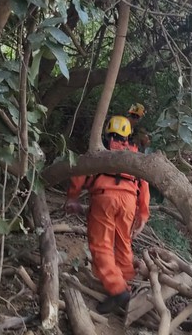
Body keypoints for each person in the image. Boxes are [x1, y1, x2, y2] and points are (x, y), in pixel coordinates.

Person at [64, 115, 150, 314]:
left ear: (107, 132)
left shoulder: (100, 150)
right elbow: (143, 185)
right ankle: (127, 283)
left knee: (101, 246)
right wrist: (142, 214)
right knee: (123, 244)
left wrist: (73, 197)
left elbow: (81, 172)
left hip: (104, 199)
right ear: (128, 136)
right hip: (129, 202)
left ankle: (118, 290)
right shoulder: (135, 154)